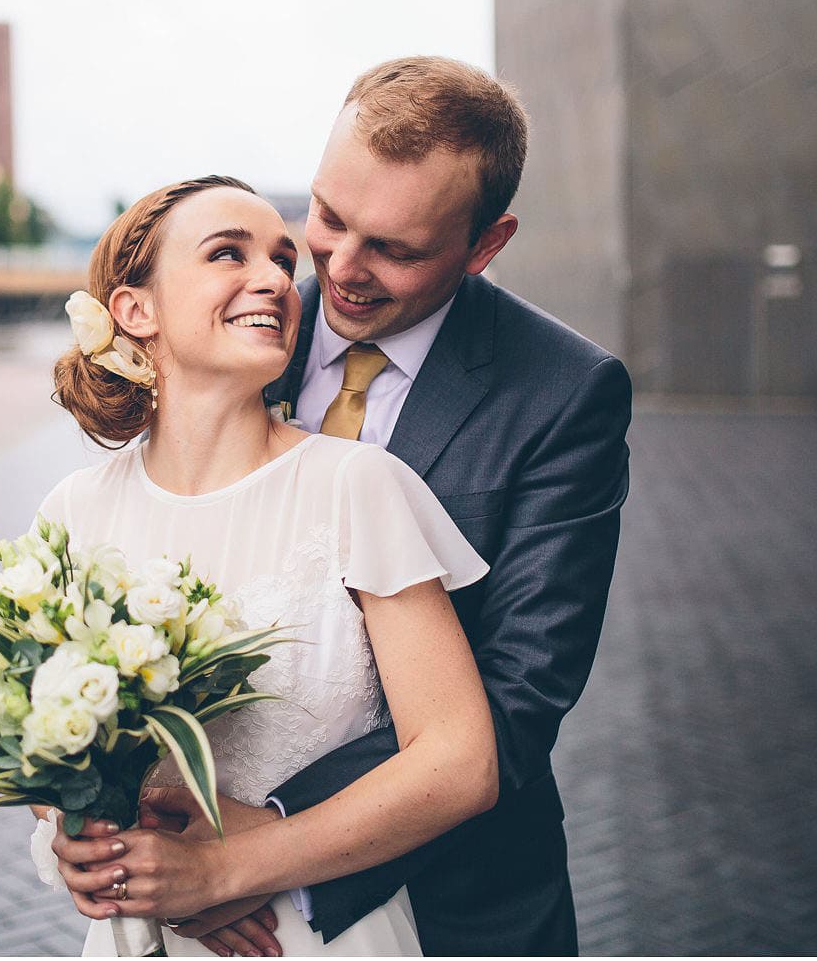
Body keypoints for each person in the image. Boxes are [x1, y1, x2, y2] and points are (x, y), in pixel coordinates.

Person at [51, 58, 632, 957]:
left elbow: (515, 700)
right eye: (326, 219)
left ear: (483, 244)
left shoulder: (564, 394)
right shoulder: (241, 331)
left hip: (451, 905)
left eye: (396, 248)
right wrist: (107, 840)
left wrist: (252, 854)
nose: (338, 271)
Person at [33, 174, 501, 955]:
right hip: (143, 932)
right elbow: (46, 745)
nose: (278, 281)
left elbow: (461, 761)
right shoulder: (73, 511)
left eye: (284, 260)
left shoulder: (358, 485)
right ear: (134, 310)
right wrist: (78, 838)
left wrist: (227, 868)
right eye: (228, 253)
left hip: (318, 936)